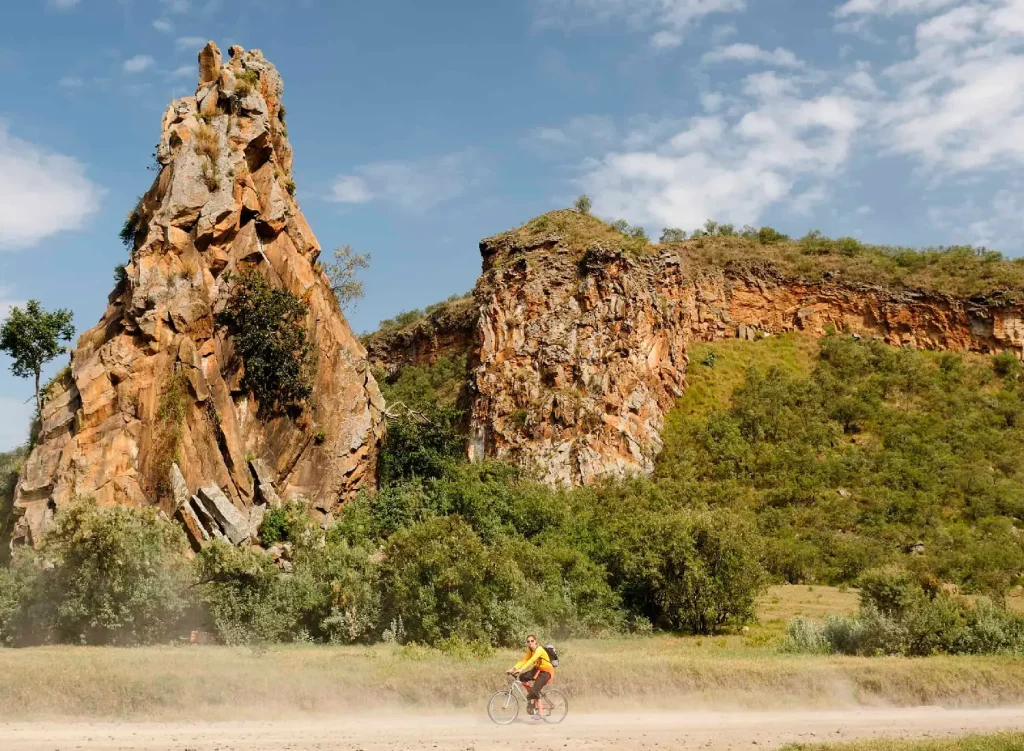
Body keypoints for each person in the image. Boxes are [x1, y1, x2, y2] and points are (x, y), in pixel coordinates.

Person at [506, 634, 554, 719]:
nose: (530, 643)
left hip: (546, 671)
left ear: (536, 642)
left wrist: (521, 669)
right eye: (528, 641)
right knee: (522, 677)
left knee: (535, 690)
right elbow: (524, 660)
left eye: (532, 641)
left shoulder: (539, 649)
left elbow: (532, 660)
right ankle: (531, 698)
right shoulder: (530, 651)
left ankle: (540, 713)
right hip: (537, 669)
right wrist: (513, 669)